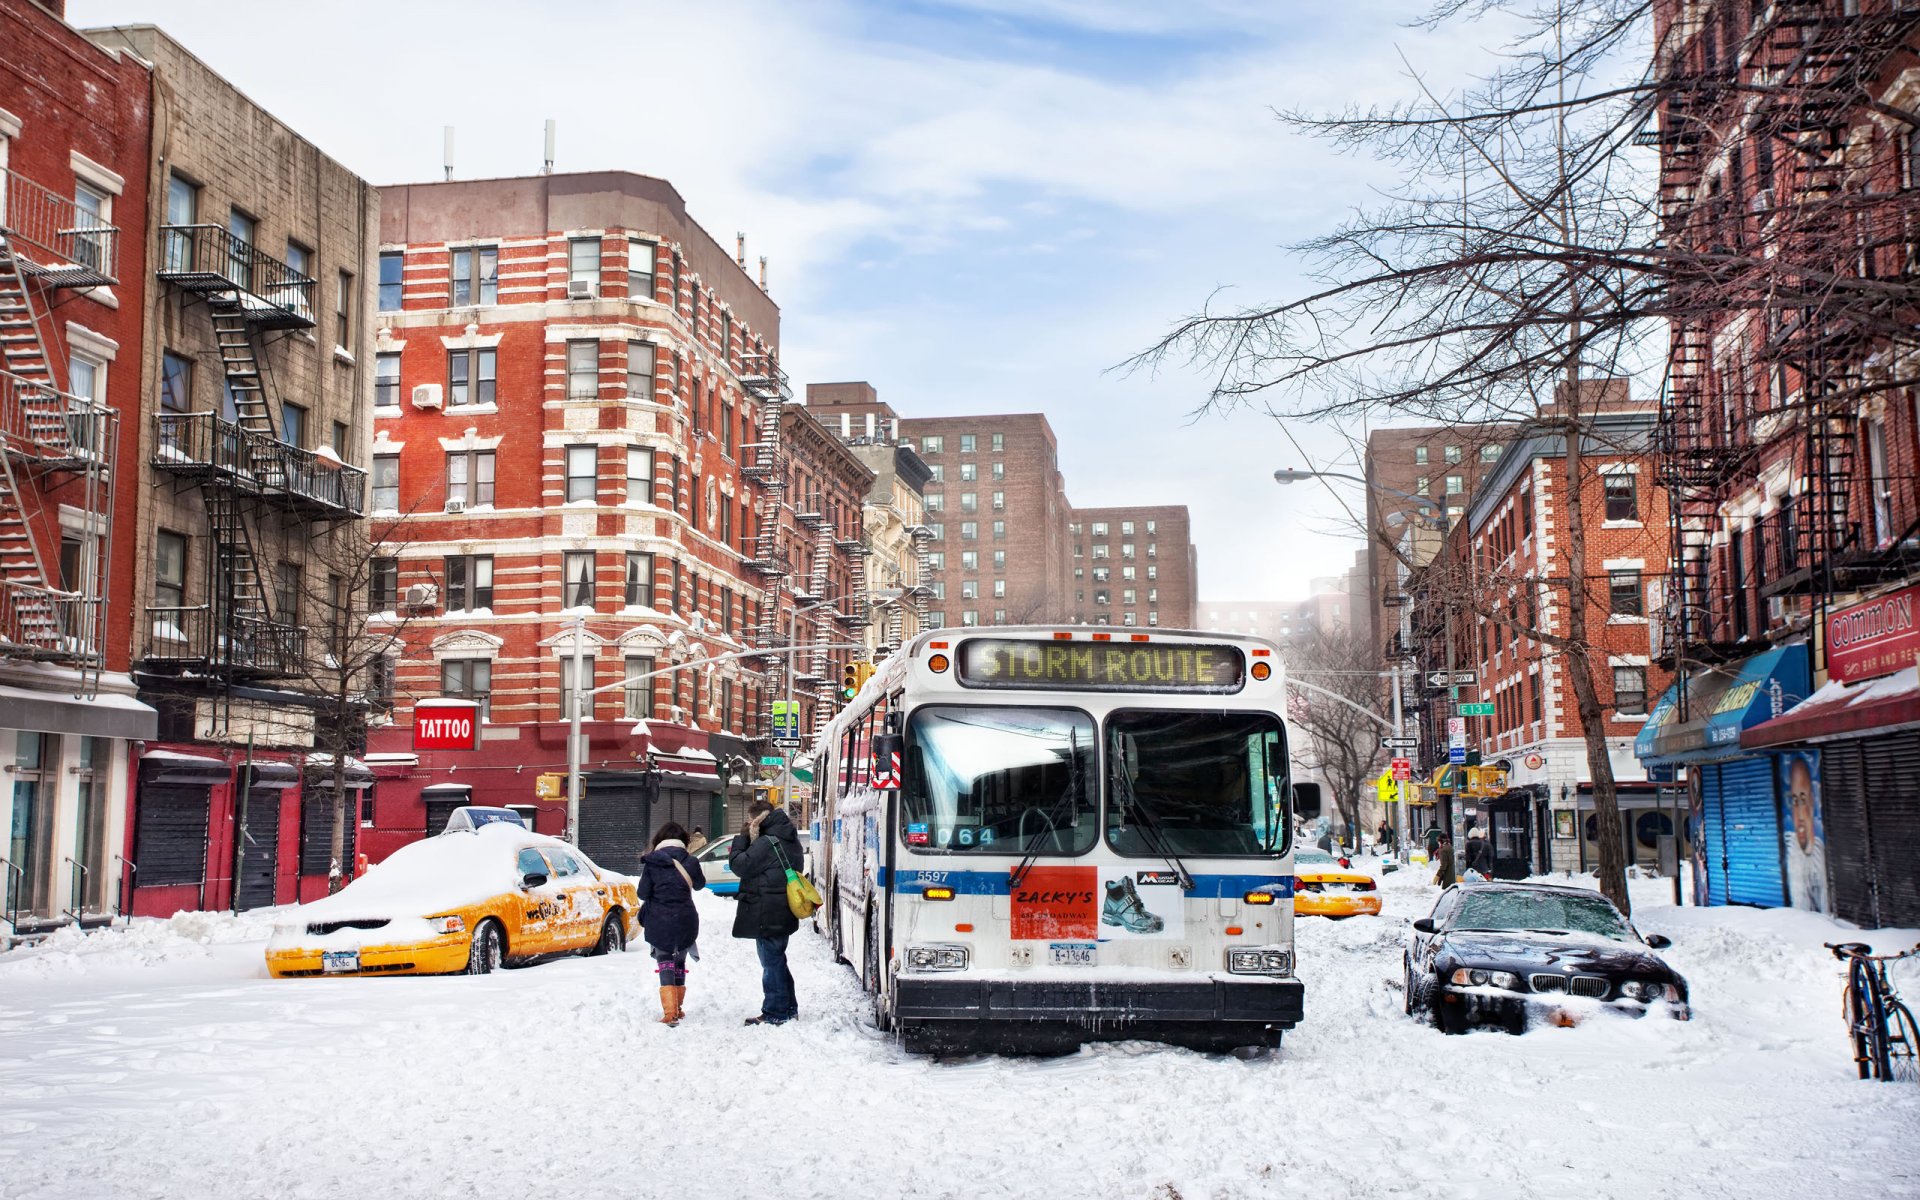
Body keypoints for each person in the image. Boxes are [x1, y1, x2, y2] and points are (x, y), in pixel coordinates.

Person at [730, 799, 803, 1026]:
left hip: (767, 910)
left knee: (771, 962)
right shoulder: (789, 837)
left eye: (751, 820)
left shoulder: (767, 842)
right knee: (777, 959)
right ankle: (788, 1007)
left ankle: (775, 1012)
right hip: (783, 907)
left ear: (758, 819)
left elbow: (740, 865)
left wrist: (741, 838)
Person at [637, 822, 705, 1026]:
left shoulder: (652, 862)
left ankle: (670, 1012)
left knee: (665, 959)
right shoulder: (690, 861)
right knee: (680, 961)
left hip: (659, 918)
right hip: (685, 917)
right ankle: (679, 1008)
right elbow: (700, 885)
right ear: (684, 840)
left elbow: (642, 893)